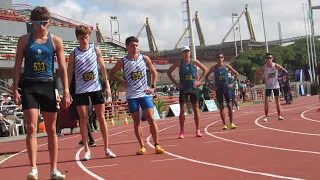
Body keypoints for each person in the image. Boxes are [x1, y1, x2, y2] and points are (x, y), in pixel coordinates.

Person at [12, 6, 71, 180]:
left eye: (45, 23)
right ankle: (33, 168)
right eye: (38, 23)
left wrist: (66, 91)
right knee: (31, 127)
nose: (42, 26)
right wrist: (15, 88)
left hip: (48, 86)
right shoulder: (23, 41)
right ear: (32, 22)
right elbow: (16, 66)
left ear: (49, 23)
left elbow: (62, 68)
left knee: (52, 129)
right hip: (29, 86)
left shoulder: (55, 41)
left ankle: (53, 169)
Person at [67, 25, 115, 161]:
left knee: (101, 117)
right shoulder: (74, 53)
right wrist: (66, 89)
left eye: (86, 38)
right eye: (81, 38)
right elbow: (69, 72)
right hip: (81, 90)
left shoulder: (95, 49)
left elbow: (103, 68)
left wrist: (107, 86)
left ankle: (106, 147)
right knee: (83, 119)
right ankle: (87, 149)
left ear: (89, 37)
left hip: (95, 88)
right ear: (77, 38)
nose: (84, 40)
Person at [109, 36, 164, 155]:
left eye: (136, 45)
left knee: (151, 118)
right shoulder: (123, 61)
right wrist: (122, 81)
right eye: (133, 45)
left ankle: (157, 145)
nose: (135, 48)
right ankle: (142, 146)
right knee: (136, 121)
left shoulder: (144, 58)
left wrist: (152, 87)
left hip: (144, 93)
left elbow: (154, 72)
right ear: (127, 46)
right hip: (131, 95)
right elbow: (111, 74)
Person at [167, 46, 208, 138]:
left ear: (190, 53)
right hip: (183, 89)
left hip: (193, 89)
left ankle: (198, 130)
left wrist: (200, 81)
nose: (186, 53)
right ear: (182, 54)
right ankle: (181, 131)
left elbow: (205, 69)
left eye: (188, 51)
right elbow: (169, 72)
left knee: (196, 110)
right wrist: (175, 83)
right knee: (182, 111)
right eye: (184, 52)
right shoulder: (179, 62)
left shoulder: (194, 62)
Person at [205, 52, 239, 130]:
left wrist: (232, 83)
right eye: (218, 57)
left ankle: (231, 123)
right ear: (216, 59)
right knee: (221, 106)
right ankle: (224, 124)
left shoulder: (226, 66)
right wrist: (212, 85)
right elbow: (206, 77)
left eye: (221, 57)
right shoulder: (214, 68)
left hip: (226, 87)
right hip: (219, 88)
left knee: (230, 106)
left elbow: (237, 74)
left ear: (223, 58)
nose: (220, 59)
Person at [256, 53, 288, 122]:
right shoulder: (264, 67)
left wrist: (281, 78)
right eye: (267, 58)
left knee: (277, 100)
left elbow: (285, 72)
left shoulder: (276, 66)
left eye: (270, 58)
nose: (268, 60)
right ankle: (266, 116)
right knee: (266, 102)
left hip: (275, 85)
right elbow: (257, 73)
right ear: (265, 59)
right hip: (268, 86)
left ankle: (279, 115)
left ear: (272, 59)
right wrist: (263, 78)